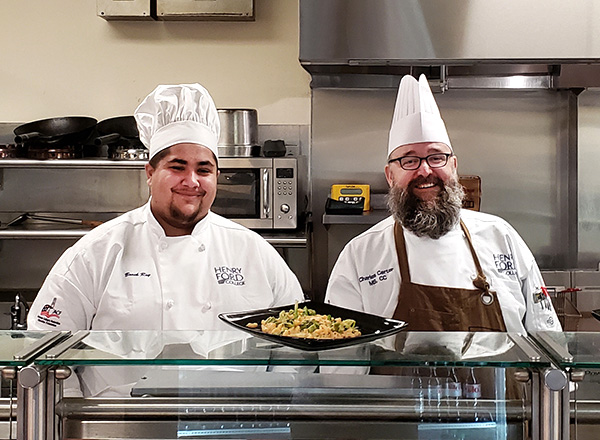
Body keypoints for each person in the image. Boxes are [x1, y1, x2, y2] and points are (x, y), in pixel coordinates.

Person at [26, 84, 304, 395]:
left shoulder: (255, 253)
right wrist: (79, 421)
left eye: (204, 169)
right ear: (149, 172)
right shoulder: (98, 252)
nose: (192, 181)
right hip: (120, 424)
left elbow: (297, 347)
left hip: (232, 424)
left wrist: (275, 407)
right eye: (177, 167)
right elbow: (44, 348)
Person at [325, 74, 561, 334]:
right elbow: (340, 359)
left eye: (436, 157)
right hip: (394, 379)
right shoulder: (360, 256)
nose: (425, 171)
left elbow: (546, 337)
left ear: (454, 166)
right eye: (409, 160)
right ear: (390, 175)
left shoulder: (501, 236)